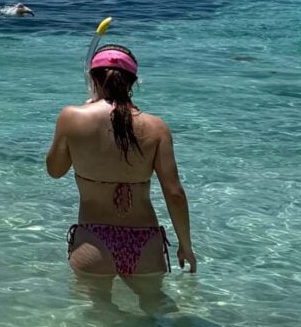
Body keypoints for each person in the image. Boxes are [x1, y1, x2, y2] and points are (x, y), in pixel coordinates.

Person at [46, 44, 197, 282]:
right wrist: (185, 246)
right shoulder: (157, 128)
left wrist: (75, 123)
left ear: (93, 79)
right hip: (145, 241)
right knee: (154, 315)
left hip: (93, 241)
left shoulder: (72, 117)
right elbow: (174, 193)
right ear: (133, 82)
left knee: (95, 317)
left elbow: (55, 170)